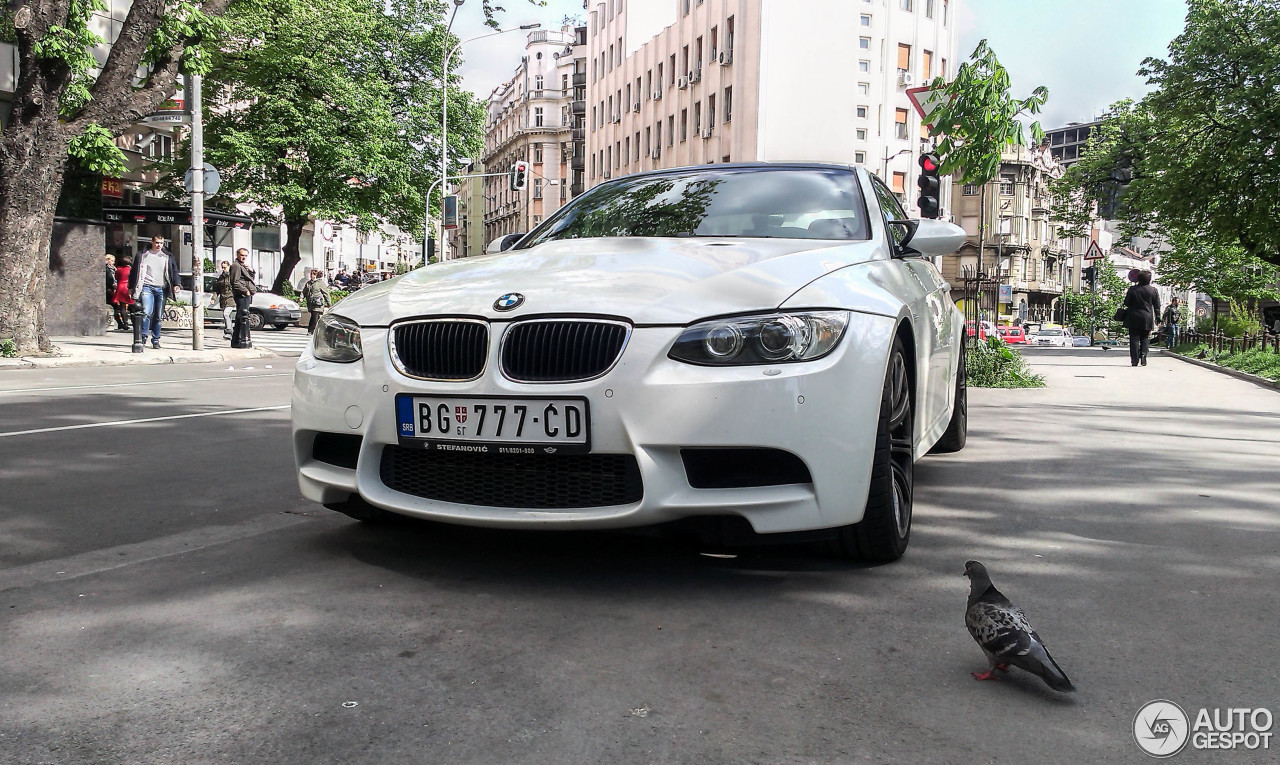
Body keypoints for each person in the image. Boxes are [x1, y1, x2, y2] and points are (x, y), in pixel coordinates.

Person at [127, 235, 179, 349]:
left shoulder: (167, 256)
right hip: (147, 287)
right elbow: (134, 271)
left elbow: (174, 271)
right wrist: (131, 287)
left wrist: (176, 284)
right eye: (157, 242)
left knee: (158, 316)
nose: (159, 245)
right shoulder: (143, 255)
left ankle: (156, 339)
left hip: (161, 288)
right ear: (152, 242)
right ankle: (143, 336)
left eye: (161, 243)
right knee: (146, 312)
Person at [1122, 270, 1161, 366]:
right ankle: (1143, 356)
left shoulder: (1132, 289)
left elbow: (1126, 303)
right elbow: (1157, 306)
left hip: (1133, 317)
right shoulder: (1153, 290)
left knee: (1134, 339)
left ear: (1138, 278)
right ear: (1149, 279)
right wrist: (1158, 318)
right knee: (1145, 338)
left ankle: (1134, 360)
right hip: (1147, 317)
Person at [229, 248, 257, 348]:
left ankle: (237, 340)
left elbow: (250, 279)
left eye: (245, 255)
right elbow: (235, 282)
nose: (244, 257)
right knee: (242, 316)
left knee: (241, 317)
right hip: (242, 295)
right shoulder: (236, 266)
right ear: (237, 255)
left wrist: (251, 270)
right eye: (242, 255)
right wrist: (245, 291)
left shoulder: (243, 266)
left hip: (246, 294)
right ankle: (239, 340)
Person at [301, 269, 332, 335]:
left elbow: (326, 293)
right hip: (311, 303)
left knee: (314, 316)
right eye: (311, 274)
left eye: (312, 274)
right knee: (316, 317)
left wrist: (329, 303)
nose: (311, 275)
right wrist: (301, 298)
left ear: (315, 275)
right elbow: (304, 292)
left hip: (318, 303)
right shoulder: (309, 283)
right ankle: (319, 331)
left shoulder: (320, 283)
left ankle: (310, 330)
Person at [212, 260, 235, 339]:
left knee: (226, 314)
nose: (223, 269)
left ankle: (229, 331)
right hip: (223, 299)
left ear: (229, 267)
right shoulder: (221, 277)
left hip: (231, 298)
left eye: (225, 267)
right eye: (222, 267)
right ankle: (231, 333)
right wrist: (213, 298)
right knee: (228, 316)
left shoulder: (232, 276)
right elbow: (217, 289)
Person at [111, 255, 134, 331]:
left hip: (120, 287)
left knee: (122, 307)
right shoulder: (131, 269)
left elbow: (116, 278)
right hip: (128, 287)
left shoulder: (118, 269)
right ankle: (134, 322)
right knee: (132, 305)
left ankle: (125, 323)